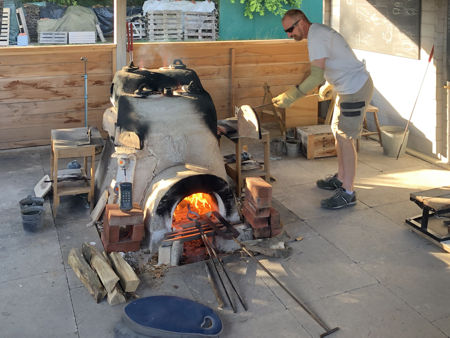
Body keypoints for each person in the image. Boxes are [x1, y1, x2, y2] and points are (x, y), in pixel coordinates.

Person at [272, 9, 374, 210]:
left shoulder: (316, 36)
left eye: (290, 30)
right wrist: (329, 84)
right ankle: (341, 178)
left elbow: (315, 75)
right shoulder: (317, 33)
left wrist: (293, 95)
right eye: (286, 31)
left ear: (301, 22)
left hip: (355, 89)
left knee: (346, 138)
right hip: (345, 88)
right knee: (337, 132)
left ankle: (348, 192)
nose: (289, 35)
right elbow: (334, 61)